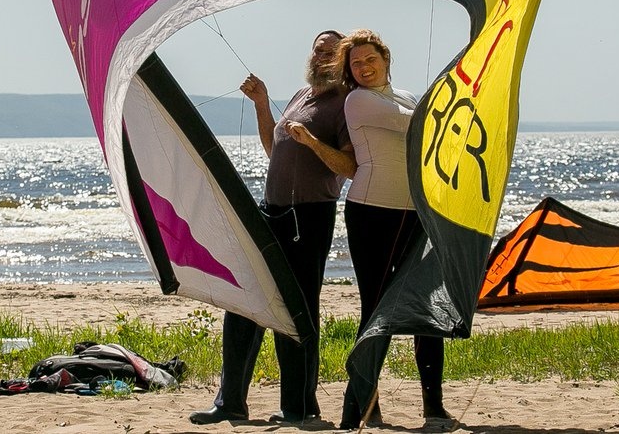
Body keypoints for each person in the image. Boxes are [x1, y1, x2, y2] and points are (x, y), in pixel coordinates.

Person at [190, 31, 354, 426]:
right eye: (317, 49)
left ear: (344, 59)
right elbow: (274, 147)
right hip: (272, 211)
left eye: (331, 51)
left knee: (296, 310)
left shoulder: (347, 103)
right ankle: (230, 402)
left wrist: (314, 142)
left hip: (309, 217)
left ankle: (299, 406)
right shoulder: (303, 94)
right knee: (245, 300)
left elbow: (348, 167)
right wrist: (263, 103)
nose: (322, 55)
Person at [331, 29, 453, 430]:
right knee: (376, 310)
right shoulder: (358, 100)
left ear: (386, 58)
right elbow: (419, 126)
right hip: (372, 214)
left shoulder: (405, 95)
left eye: (370, 60)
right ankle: (361, 408)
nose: (364, 68)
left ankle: (434, 409)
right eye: (356, 63)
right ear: (349, 71)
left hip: (415, 215)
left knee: (428, 307)